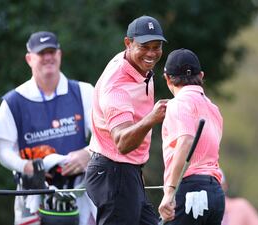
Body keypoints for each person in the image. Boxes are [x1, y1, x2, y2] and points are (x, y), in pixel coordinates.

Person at [0, 31, 96, 225]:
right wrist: (27, 167)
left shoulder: (84, 91)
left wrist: (88, 153)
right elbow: (4, 151)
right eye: (41, 53)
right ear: (29, 58)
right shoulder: (13, 101)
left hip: (78, 192)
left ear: (59, 54)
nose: (48, 57)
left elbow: (103, 135)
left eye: (52, 51)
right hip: (32, 192)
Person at [84, 15, 168, 225]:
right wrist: (152, 119)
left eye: (156, 47)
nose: (151, 53)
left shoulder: (137, 65)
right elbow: (122, 142)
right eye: (144, 46)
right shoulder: (117, 87)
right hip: (114, 173)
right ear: (128, 43)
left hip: (126, 173)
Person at [158, 48, 225, 225]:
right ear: (201, 76)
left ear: (167, 78)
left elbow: (186, 140)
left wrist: (170, 191)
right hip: (215, 195)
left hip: (190, 190)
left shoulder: (178, 103)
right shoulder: (214, 109)